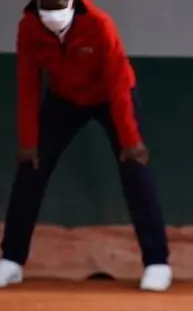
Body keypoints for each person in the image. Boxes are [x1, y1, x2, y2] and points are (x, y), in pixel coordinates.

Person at [0, 0, 172, 292]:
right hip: (64, 99)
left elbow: (118, 84)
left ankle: (157, 262)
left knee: (134, 167)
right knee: (31, 167)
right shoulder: (28, 26)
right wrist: (28, 142)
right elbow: (27, 82)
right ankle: (11, 260)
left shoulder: (99, 24)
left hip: (111, 96)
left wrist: (130, 140)